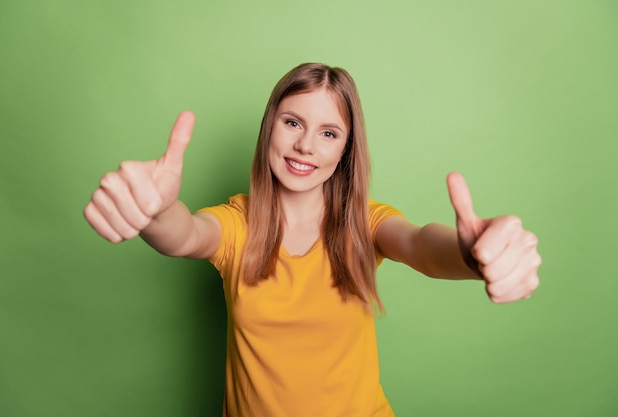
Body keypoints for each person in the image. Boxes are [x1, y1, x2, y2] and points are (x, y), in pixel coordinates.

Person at [84, 63, 541, 417]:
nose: (306, 146)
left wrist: (474, 255)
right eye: (292, 122)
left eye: (328, 133)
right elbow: (184, 235)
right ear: (270, 127)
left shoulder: (364, 223)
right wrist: (155, 209)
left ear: (345, 149)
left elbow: (421, 246)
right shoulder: (239, 222)